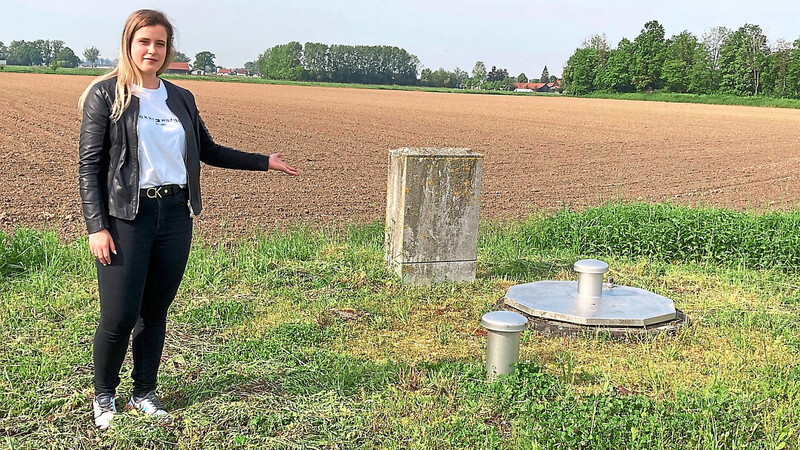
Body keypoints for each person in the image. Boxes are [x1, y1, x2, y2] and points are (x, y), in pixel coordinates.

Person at [78, 9, 299, 430]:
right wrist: (97, 226)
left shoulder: (179, 96)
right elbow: (90, 167)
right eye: (144, 41)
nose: (152, 50)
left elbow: (208, 150)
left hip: (176, 215)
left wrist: (263, 161)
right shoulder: (106, 95)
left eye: (160, 43)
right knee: (120, 315)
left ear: (168, 49)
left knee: (155, 311)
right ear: (129, 43)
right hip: (127, 217)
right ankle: (103, 394)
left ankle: (144, 392)